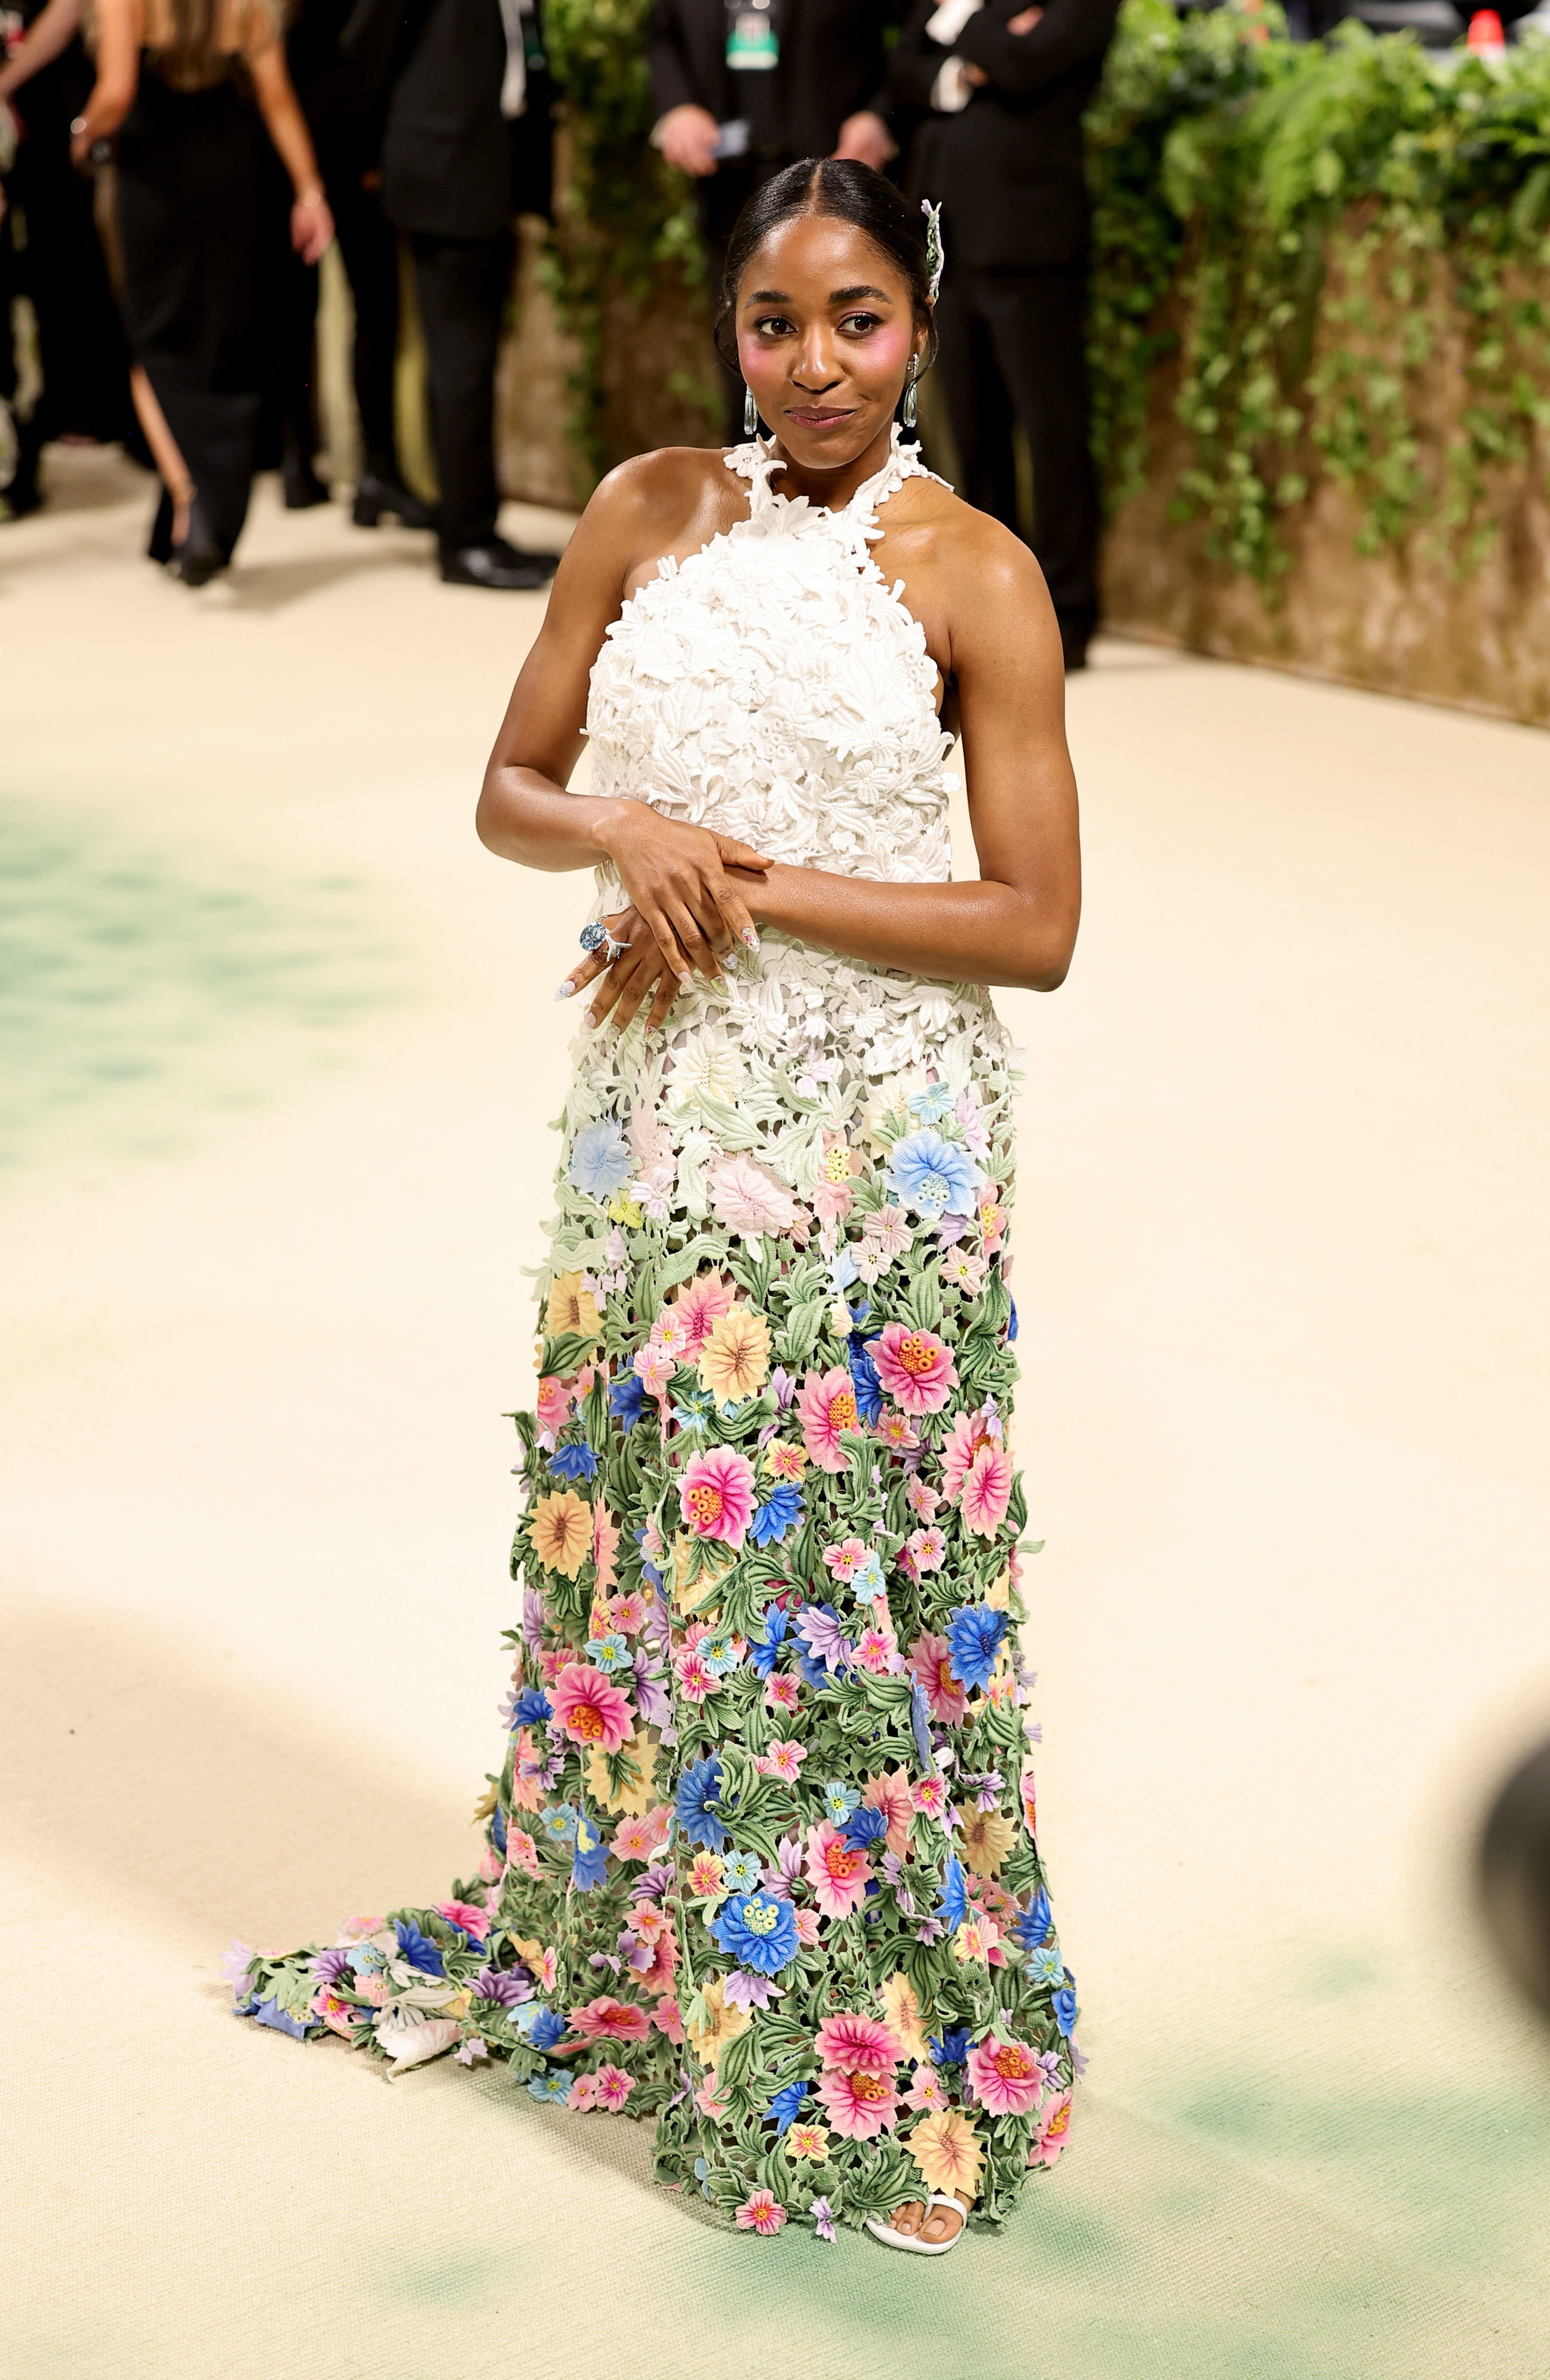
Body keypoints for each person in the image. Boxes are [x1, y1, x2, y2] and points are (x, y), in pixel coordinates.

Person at [232, 158, 1083, 2256]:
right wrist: (624, 820)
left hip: (879, 1134)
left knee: (852, 1567)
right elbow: (508, 791)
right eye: (775, 322)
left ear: (920, 317)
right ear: (731, 329)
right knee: (681, 1539)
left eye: (858, 319)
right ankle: (688, 1960)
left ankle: (875, 2042)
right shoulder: (639, 508)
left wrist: (736, 881)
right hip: (659, 1110)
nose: (813, 365)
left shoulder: (978, 571)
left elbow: (1035, 924)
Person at [889, 0, 1121, 671]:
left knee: (1051, 434)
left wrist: (964, 21)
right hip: (950, 244)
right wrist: (966, 66)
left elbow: (1023, 66)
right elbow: (907, 71)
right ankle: (986, 603)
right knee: (974, 431)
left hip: (1031, 244)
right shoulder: (984, 12)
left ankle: (1068, 613)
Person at [70, 0, 333, 581]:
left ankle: (192, 498)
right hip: (227, 167)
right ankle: (196, 511)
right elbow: (277, 96)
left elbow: (116, 91)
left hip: (153, 174)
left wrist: (82, 133)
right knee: (218, 337)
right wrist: (309, 191)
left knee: (152, 343)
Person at [355, 0, 557, 588]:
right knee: (462, 362)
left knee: (463, 360)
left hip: (492, 164)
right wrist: (365, 152)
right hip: (443, 169)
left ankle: (466, 520)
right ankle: (465, 539)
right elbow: (367, 50)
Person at [647, 0, 904, 432]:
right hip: (729, 188)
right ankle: (760, 491)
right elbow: (662, 33)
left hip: (837, 182)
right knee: (747, 370)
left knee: (851, 363)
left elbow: (921, 30)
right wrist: (677, 107)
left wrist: (881, 117)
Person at [258, 0, 432, 526]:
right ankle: (366, 468)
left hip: (294, 146)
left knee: (313, 311)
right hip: (338, 146)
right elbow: (363, 53)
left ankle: (308, 463)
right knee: (364, 309)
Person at [0, 0, 131, 517]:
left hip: (51, 112)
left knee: (66, 261)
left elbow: (72, 9)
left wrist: (9, 79)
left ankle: (73, 412)